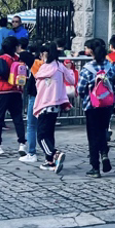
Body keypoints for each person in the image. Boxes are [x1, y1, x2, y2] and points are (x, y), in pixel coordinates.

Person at [32, 43, 76, 172]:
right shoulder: (60, 67)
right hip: (56, 104)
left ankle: (54, 153)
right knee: (49, 134)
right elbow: (72, 80)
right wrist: (69, 69)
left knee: (41, 136)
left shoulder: (44, 68)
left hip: (44, 104)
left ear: (44, 54)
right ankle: (49, 161)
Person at [78, 39, 115, 177]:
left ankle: (95, 166)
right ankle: (104, 153)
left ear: (92, 51)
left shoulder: (87, 68)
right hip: (107, 104)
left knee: (93, 134)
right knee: (103, 130)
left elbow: (80, 88)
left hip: (92, 105)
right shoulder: (109, 66)